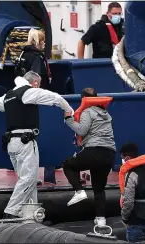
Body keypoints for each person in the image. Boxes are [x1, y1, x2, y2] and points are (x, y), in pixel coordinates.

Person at [0, 71, 74, 218]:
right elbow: (54, 98)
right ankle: (11, 211)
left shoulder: (8, 96)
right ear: (35, 83)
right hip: (25, 142)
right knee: (30, 178)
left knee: (25, 179)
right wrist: (68, 109)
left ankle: (30, 215)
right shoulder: (29, 92)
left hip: (11, 142)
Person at [62, 88, 116, 227]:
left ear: (83, 98)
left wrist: (68, 119)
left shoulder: (87, 111)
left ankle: (79, 191)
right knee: (99, 188)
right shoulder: (106, 114)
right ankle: (101, 220)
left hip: (94, 150)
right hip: (109, 154)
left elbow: (81, 130)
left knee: (68, 165)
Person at [118, 143, 145, 242]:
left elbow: (128, 202)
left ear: (127, 158)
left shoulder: (131, 175)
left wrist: (124, 218)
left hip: (136, 224)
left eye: (122, 158)